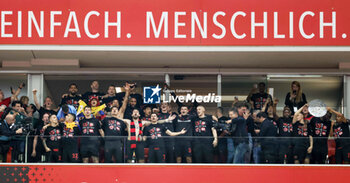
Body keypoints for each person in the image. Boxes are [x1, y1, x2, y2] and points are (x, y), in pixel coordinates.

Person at [101, 83, 130, 163]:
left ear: (118, 111)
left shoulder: (120, 118)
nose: (114, 110)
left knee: (119, 160)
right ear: (110, 111)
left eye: (116, 110)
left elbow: (124, 104)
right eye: (113, 109)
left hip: (118, 142)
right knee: (107, 160)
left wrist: (127, 92)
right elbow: (100, 128)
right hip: (108, 142)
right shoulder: (106, 118)